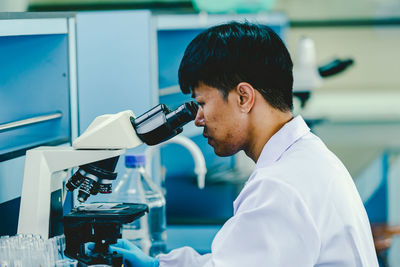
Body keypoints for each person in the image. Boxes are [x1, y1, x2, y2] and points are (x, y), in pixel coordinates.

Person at [109, 21, 379, 266]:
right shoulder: (306, 156)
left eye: (201, 103)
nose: (198, 119)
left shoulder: (280, 186)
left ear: (243, 97)